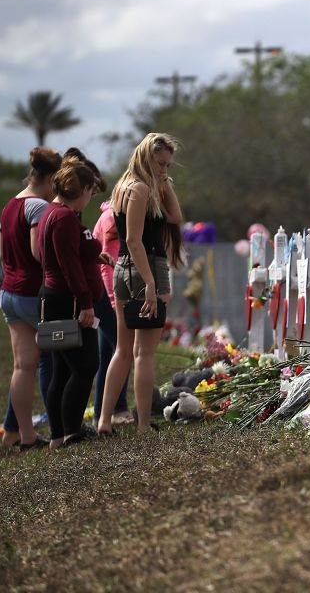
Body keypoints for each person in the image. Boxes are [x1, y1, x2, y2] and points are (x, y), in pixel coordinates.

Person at [98, 133, 184, 435]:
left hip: (124, 269)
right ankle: (144, 424)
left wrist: (165, 182)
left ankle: (104, 420)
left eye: (168, 166)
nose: (164, 170)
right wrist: (150, 283)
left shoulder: (125, 186)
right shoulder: (140, 188)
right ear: (146, 157)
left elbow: (175, 215)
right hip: (145, 267)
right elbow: (134, 240)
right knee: (143, 353)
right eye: (160, 164)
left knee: (123, 350)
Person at [37, 151, 105, 448]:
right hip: (67, 300)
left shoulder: (51, 213)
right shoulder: (64, 217)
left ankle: (57, 435)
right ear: (84, 190)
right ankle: (70, 433)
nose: (90, 197)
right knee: (86, 366)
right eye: (91, 191)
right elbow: (69, 266)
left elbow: (67, 255)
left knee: (62, 369)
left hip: (54, 297)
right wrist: (86, 303)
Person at [0, 147, 60, 450]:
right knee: (57, 356)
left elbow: (0, 253)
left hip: (8, 292)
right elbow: (39, 252)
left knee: (22, 367)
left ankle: (25, 436)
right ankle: (62, 426)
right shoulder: (38, 206)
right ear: (50, 179)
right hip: (30, 293)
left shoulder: (10, 205)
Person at [91, 199, 133, 425]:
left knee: (108, 354)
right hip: (108, 294)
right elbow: (106, 264)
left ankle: (106, 411)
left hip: (108, 292)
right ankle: (113, 410)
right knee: (123, 349)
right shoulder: (111, 219)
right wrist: (113, 300)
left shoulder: (114, 215)